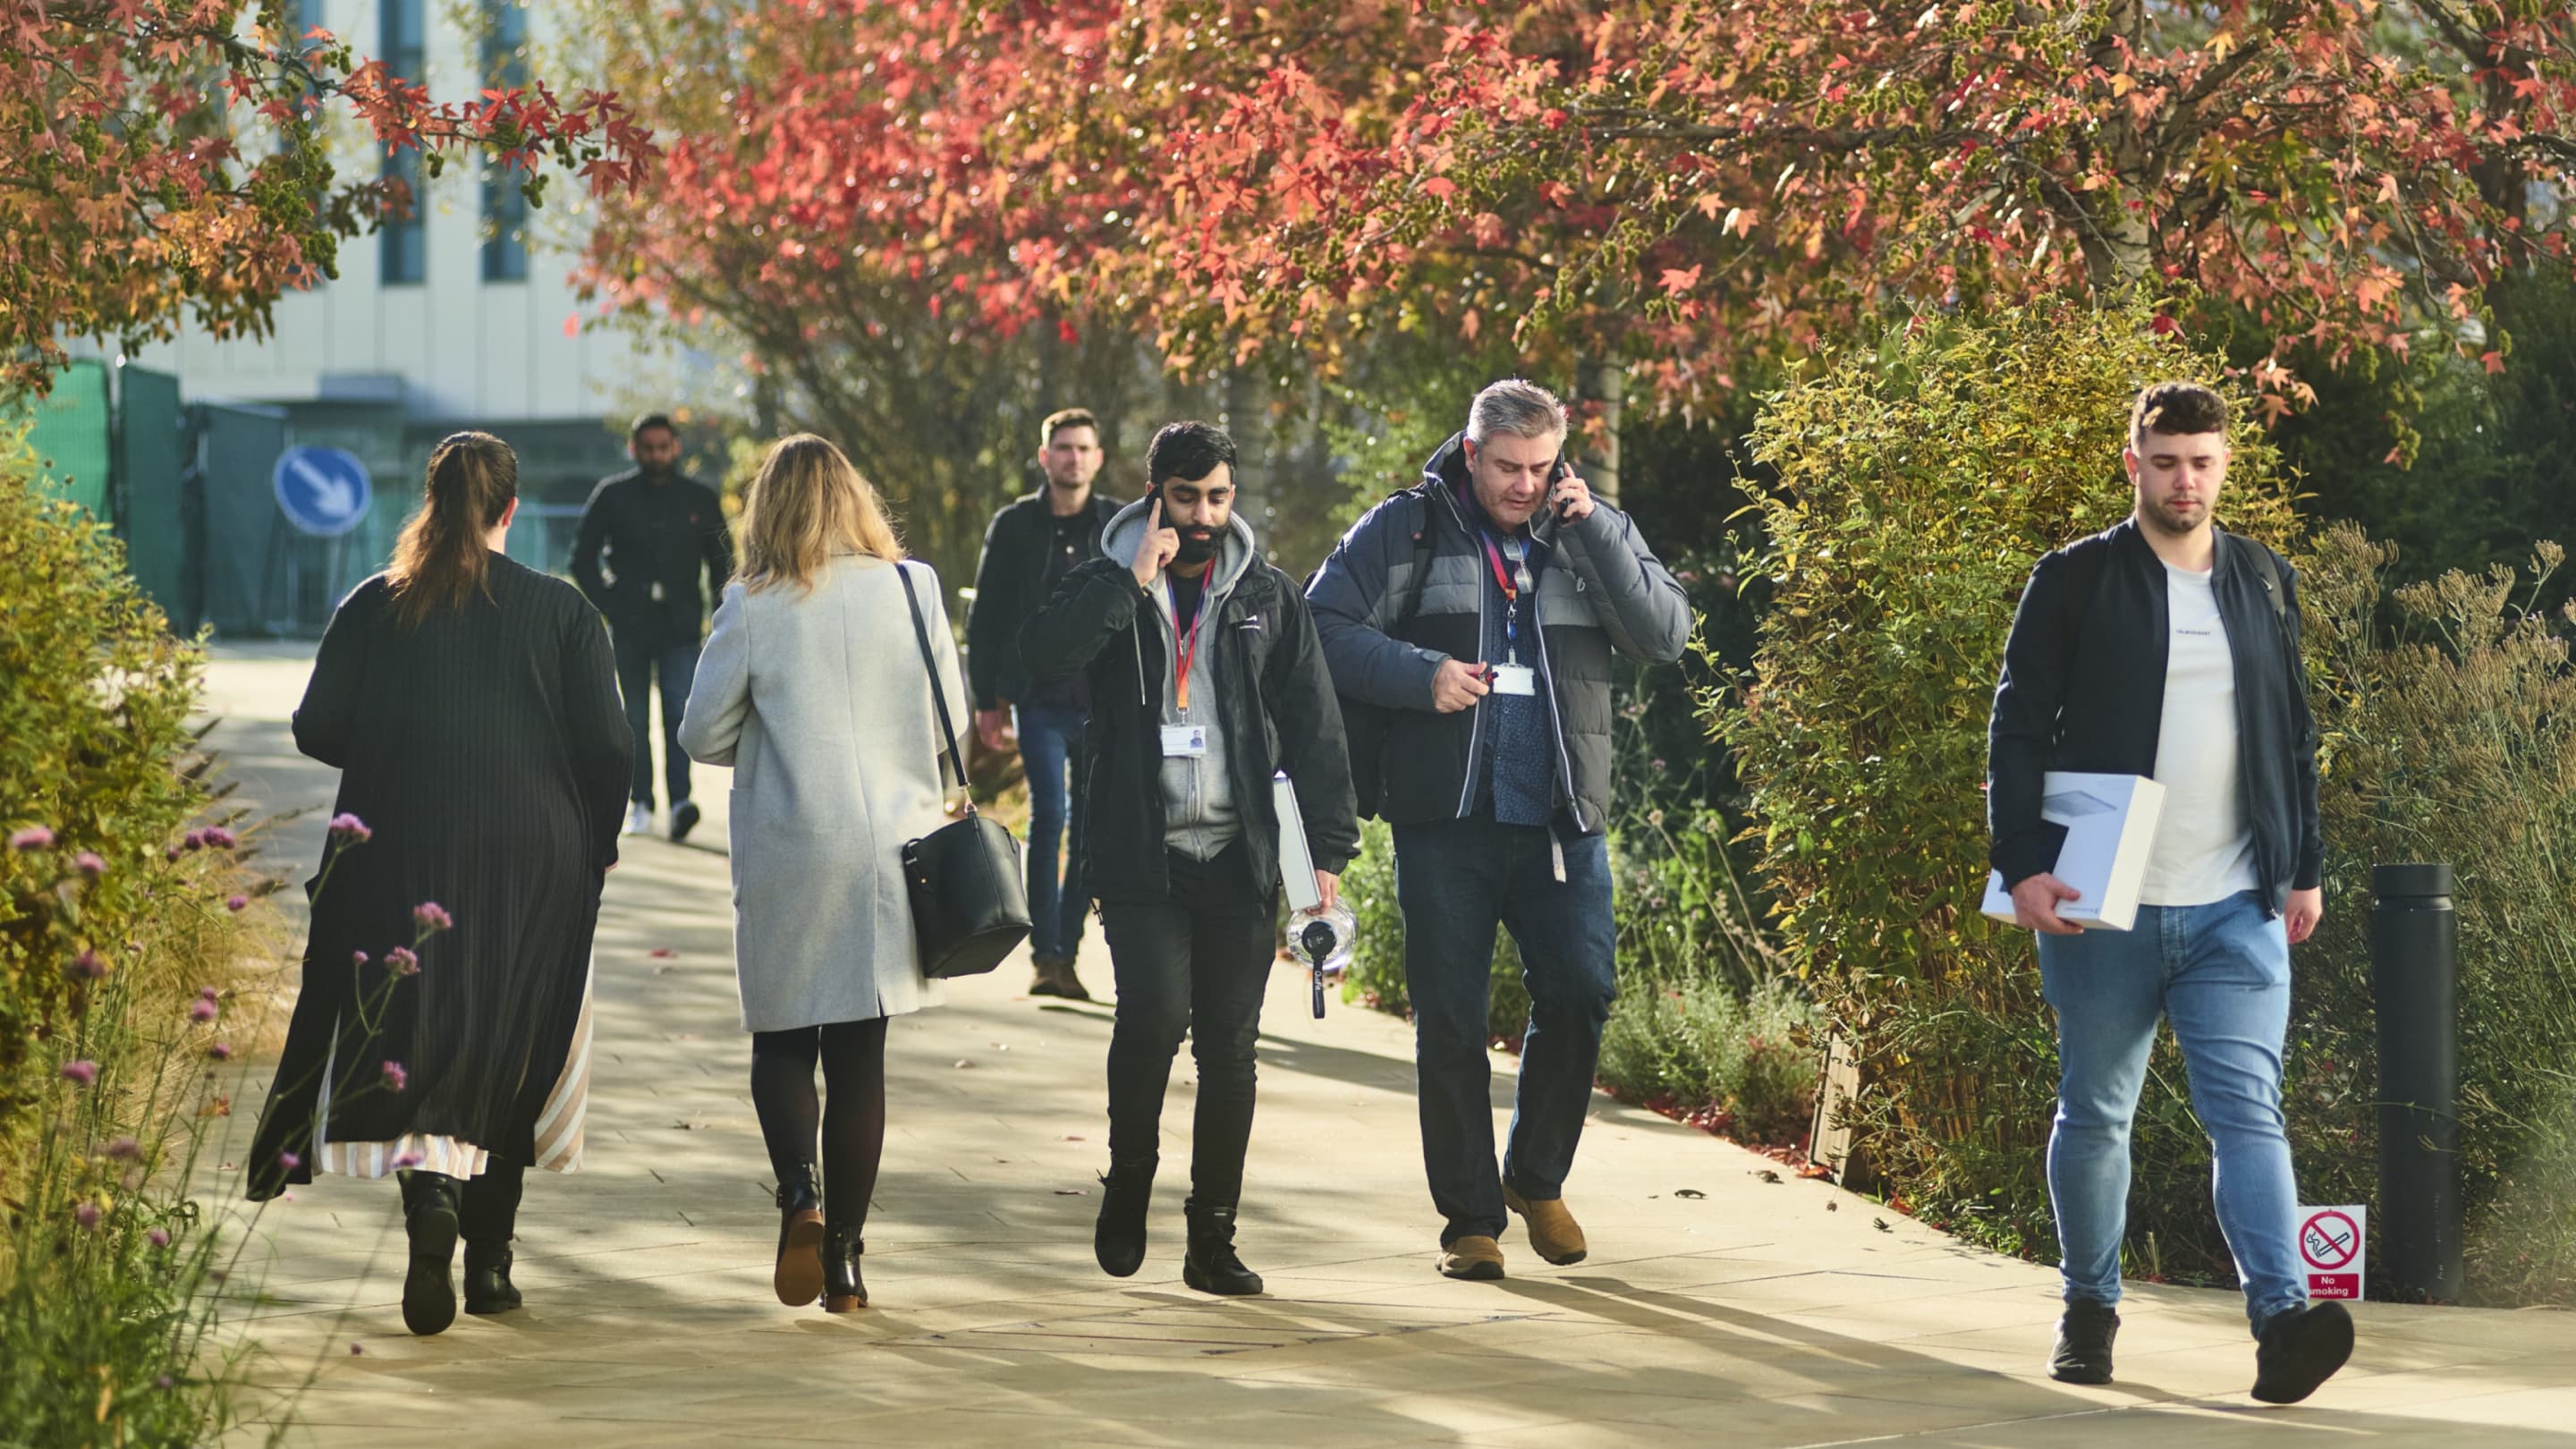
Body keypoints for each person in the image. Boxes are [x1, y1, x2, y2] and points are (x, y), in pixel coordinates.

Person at [1987, 381, 2348, 1403]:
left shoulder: (2263, 580)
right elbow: (2018, 724)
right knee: (2097, 1113)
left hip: (2238, 902)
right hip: (2106, 902)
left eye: (2202, 461)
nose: (2185, 480)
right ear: (2133, 463)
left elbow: (2293, 733)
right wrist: (2021, 862)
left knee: (2250, 1114)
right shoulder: (2075, 580)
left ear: (2224, 465)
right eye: (2166, 461)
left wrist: (2304, 865)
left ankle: (2282, 1325)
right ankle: (2089, 1311)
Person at [248, 431, 631, 1337]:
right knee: (508, 1032)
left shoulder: (374, 605)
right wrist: (597, 844)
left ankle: (432, 1207)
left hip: (402, 837)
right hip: (535, 851)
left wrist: (394, 747)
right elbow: (612, 748)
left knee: (419, 1028)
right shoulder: (565, 614)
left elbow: (315, 726)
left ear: (429, 502)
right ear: (510, 511)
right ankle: (491, 1267)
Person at [1307, 379, 1689, 1282]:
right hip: (1447, 817)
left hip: (1560, 817)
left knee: (1583, 992)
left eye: (1541, 467)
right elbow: (1318, 627)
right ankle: (1471, 1219)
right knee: (1451, 1021)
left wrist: (1593, 530)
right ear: (1471, 454)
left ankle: (1534, 1176)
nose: (1524, 485)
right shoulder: (1402, 529)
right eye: (1507, 467)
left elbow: (1665, 635)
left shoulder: (1592, 525)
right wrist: (1420, 673)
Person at [1020, 420, 1359, 1296]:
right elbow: (1041, 659)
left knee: (1230, 1051)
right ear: (1153, 495)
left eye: (1218, 498)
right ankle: (1130, 1174)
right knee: (1153, 1019)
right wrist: (1126, 582)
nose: (1203, 516)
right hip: (1142, 850)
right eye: (1186, 498)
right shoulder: (1109, 581)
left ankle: (1212, 1236)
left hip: (1240, 854)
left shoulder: (1268, 597)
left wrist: (1324, 854)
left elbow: (1317, 730)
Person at [676, 434, 965, 1314]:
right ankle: (844, 1259)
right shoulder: (915, 590)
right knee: (861, 1052)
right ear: (855, 500)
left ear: (770, 508)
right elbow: (951, 719)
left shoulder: (753, 604)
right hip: (891, 849)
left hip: (792, 844)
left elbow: (699, 735)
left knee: (783, 1040)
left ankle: (797, 1194)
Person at [966, 407, 1123, 1000]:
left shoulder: (1115, 524)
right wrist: (988, 699)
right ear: (1044, 457)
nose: (1073, 458)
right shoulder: (1014, 526)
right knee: (1049, 817)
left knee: (1088, 831)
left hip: (1099, 701)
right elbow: (986, 617)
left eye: (1083, 448)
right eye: (1063, 448)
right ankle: (1043, 956)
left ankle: (1066, 955)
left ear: (1098, 457)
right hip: (1037, 699)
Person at [570, 412, 733, 843]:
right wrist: (611, 606)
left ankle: (681, 801)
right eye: (649, 448)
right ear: (635, 449)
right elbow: (581, 560)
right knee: (633, 715)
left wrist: (723, 618)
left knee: (679, 709)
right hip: (630, 625)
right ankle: (639, 801)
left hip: (681, 625)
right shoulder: (612, 496)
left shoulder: (699, 498)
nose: (657, 455)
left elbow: (723, 565)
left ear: (676, 448)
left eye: (664, 447)